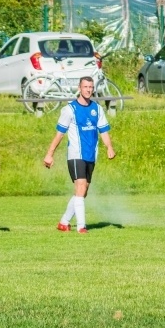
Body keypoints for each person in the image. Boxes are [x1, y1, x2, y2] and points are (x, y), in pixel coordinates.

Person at [43, 76, 116, 233]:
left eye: (91, 87)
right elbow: (59, 134)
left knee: (83, 191)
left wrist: (109, 147)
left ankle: (64, 222)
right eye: (85, 87)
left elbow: (103, 130)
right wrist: (50, 154)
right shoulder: (69, 109)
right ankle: (82, 227)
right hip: (75, 154)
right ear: (79, 88)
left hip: (91, 155)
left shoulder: (97, 109)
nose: (88, 90)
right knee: (81, 186)